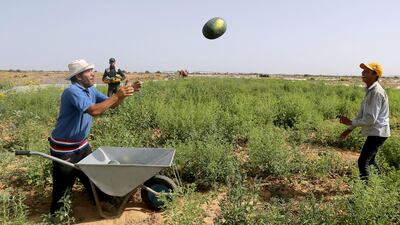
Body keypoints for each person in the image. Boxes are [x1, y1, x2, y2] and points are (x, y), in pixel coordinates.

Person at [49, 59, 141, 215]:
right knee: (63, 186)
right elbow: (94, 111)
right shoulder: (73, 92)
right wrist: (116, 95)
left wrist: (124, 93)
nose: (93, 74)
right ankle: (57, 215)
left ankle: (102, 200)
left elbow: (110, 104)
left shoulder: (90, 90)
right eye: (89, 71)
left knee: (93, 176)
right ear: (78, 77)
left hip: (81, 145)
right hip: (64, 148)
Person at [339, 62, 390, 181]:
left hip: (377, 132)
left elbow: (370, 119)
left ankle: (365, 193)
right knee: (370, 160)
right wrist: (349, 129)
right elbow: (362, 115)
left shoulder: (376, 92)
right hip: (376, 132)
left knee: (362, 162)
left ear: (375, 74)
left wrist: (350, 122)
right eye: (363, 71)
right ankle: (379, 185)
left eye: (367, 71)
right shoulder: (370, 91)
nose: (363, 73)